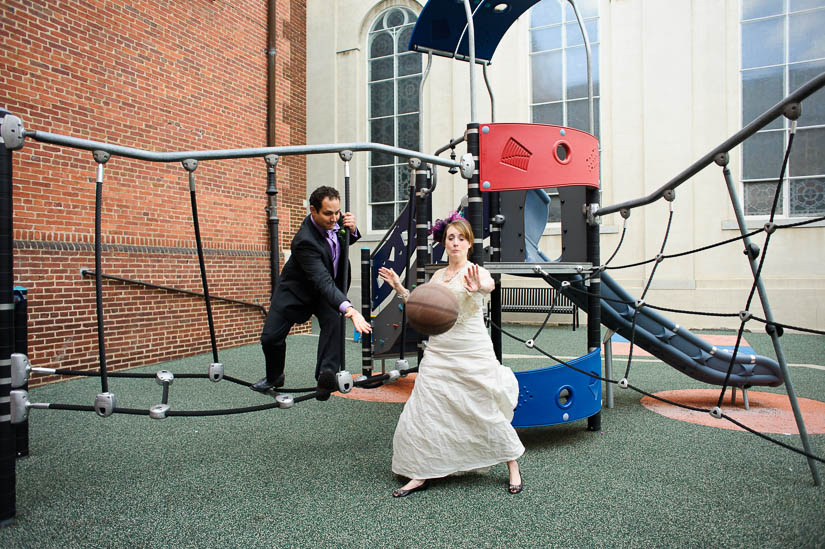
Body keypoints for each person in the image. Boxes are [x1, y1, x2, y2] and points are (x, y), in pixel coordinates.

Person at [378, 215, 524, 497]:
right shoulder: (436, 276)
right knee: (425, 408)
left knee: (483, 408)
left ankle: (512, 464)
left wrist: (478, 288)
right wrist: (400, 289)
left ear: (469, 243)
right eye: (450, 238)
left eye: (460, 238)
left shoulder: (476, 272)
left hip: (472, 349)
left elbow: (489, 286)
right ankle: (420, 472)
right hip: (440, 350)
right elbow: (425, 306)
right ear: (443, 243)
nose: (455, 243)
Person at [253, 185, 372, 396]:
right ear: (313, 210)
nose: (334, 218)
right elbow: (321, 279)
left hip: (326, 291)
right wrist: (350, 309)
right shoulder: (304, 241)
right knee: (270, 338)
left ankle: (326, 375)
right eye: (328, 213)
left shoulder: (336, 220)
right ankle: (274, 377)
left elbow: (342, 239)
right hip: (295, 292)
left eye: (337, 212)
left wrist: (352, 230)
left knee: (333, 322)